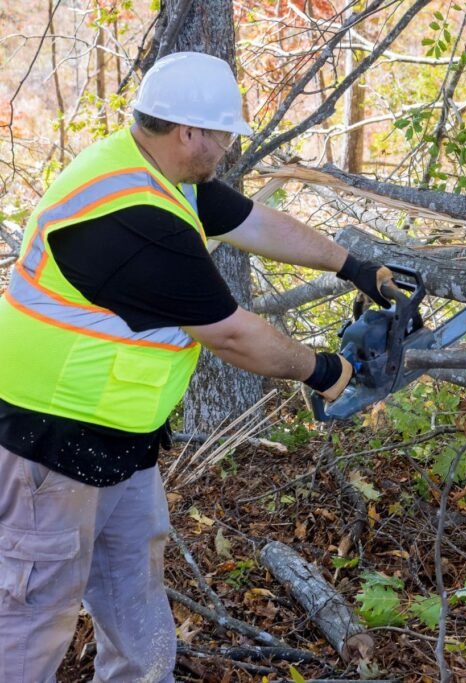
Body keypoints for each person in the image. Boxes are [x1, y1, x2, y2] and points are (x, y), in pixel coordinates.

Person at [0, 51, 391, 681]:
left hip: (121, 436)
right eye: (224, 135)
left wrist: (353, 266)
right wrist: (325, 372)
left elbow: (253, 220)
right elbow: (234, 335)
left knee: (135, 597)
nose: (231, 148)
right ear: (188, 133)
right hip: (50, 440)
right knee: (32, 611)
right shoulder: (137, 222)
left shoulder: (152, 169)